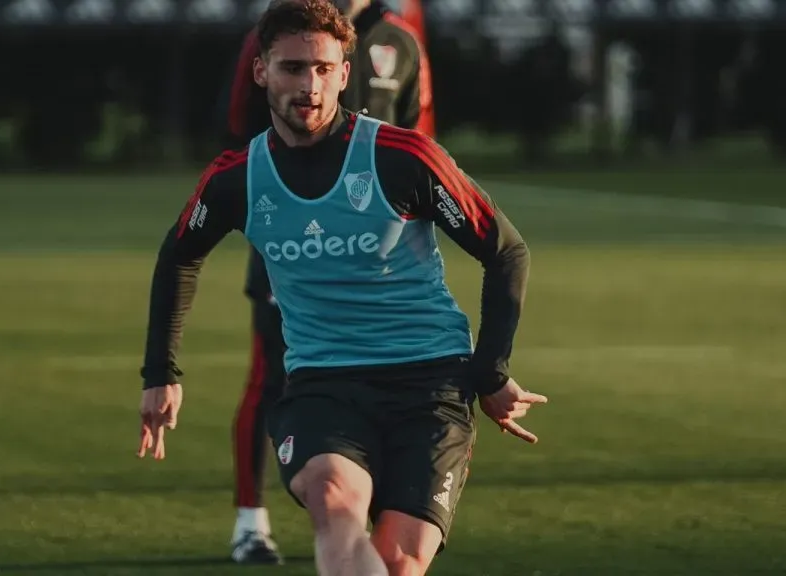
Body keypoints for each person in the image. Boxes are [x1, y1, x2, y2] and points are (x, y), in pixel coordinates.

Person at [137, 1, 548, 574]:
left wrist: (491, 371)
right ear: (261, 71)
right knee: (333, 501)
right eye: (292, 68)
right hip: (324, 384)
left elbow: (505, 249)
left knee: (399, 562)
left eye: (324, 69)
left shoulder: (404, 158)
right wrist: (160, 374)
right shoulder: (237, 177)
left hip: (429, 385)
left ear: (345, 74)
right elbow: (179, 255)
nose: (309, 85)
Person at [217, 0, 436, 565]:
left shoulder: (401, 40)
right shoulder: (278, 38)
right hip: (294, 244)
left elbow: (421, 137)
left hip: (377, 262)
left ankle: (373, 509)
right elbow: (240, 129)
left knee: (387, 379)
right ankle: (249, 521)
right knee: (270, 376)